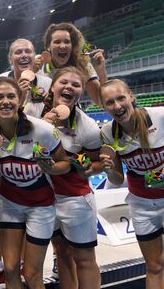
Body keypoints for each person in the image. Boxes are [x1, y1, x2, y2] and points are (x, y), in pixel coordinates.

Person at [99, 79, 164, 289]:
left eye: (120, 98)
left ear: (131, 97)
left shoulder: (161, 116)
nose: (117, 106)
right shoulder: (108, 133)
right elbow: (117, 180)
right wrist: (108, 168)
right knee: (153, 267)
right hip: (141, 204)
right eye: (110, 102)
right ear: (103, 106)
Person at [0, 77, 70, 289]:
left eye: (11, 96)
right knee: (10, 270)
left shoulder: (42, 130)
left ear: (19, 100)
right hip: (9, 205)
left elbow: (65, 164)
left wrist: (50, 168)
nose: (6, 101)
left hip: (40, 207)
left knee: (31, 273)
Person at [0, 38, 51, 287]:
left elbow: (55, 114)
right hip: (5, 157)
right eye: (17, 51)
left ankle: (35, 264)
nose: (23, 55)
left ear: (35, 55)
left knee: (32, 268)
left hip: (36, 158)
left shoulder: (46, 83)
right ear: (10, 57)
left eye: (28, 51)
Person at [41, 67, 102, 289]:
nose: (69, 87)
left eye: (75, 85)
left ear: (81, 92)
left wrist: (82, 165)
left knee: (84, 259)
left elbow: (97, 164)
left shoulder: (88, 127)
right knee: (63, 254)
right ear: (53, 87)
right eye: (63, 82)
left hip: (75, 200)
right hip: (44, 200)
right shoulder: (35, 114)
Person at [41, 22, 108, 106]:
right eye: (57, 42)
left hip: (71, 116)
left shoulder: (82, 65)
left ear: (73, 45)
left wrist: (101, 72)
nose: (62, 46)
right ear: (48, 46)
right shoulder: (38, 65)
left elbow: (103, 103)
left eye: (67, 42)